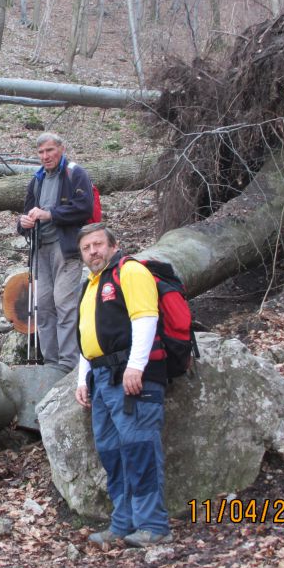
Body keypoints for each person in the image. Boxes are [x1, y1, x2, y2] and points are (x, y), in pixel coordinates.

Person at [74, 223, 172, 548]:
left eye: (98, 244)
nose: (93, 252)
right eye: (87, 248)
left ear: (113, 245)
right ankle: (123, 522)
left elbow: (146, 317)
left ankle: (153, 525)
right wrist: (81, 379)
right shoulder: (91, 285)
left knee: (139, 446)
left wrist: (135, 366)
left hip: (131, 375)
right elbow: (88, 336)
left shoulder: (129, 272)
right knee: (112, 452)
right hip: (102, 379)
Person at [17, 132, 94, 373]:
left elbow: (84, 207)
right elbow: (26, 213)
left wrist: (51, 214)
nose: (45, 156)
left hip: (67, 248)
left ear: (61, 148)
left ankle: (69, 364)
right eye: (41, 152)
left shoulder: (75, 173)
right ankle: (51, 363)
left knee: (65, 303)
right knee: (42, 305)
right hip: (41, 248)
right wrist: (23, 224)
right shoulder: (37, 178)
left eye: (49, 150)